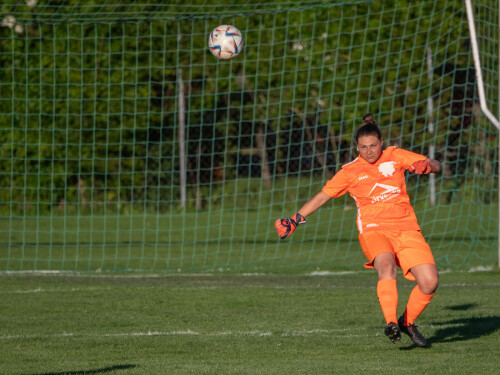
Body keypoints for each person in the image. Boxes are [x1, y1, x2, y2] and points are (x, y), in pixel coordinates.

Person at [275, 113, 441, 347]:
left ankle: (408, 322)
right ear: (357, 147)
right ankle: (391, 322)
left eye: (373, 146)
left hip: (406, 228)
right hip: (374, 229)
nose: (369, 151)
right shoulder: (350, 171)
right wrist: (295, 219)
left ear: (381, 143)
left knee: (429, 282)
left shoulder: (395, 155)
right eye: (363, 147)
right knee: (386, 265)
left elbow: (436, 164)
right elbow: (324, 196)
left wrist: (427, 166)